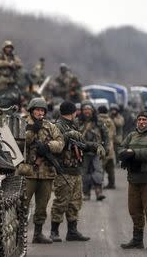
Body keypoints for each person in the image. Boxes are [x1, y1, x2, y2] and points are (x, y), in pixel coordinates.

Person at [118, 110, 147, 250]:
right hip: (134, 178)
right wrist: (124, 153)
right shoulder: (132, 135)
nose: (141, 122)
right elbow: (121, 148)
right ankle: (137, 239)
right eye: (139, 119)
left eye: (144, 120)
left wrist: (132, 153)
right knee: (134, 209)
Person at [23, 97, 64, 244]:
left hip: (46, 172)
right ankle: (18, 234)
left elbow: (60, 143)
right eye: (37, 110)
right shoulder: (23, 123)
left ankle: (38, 234)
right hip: (28, 172)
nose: (40, 113)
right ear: (31, 110)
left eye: (42, 110)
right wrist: (31, 131)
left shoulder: (50, 126)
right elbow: (19, 142)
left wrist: (48, 147)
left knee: (42, 206)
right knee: (22, 205)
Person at [50, 101, 90, 242]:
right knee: (61, 201)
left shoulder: (73, 125)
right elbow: (57, 146)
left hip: (75, 168)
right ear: (73, 112)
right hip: (64, 169)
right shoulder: (58, 126)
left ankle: (72, 231)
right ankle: (54, 231)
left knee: (75, 202)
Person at [78, 101, 108, 201]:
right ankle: (86, 193)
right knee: (84, 173)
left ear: (92, 110)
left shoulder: (98, 122)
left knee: (98, 171)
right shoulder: (78, 122)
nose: (87, 111)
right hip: (83, 151)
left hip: (97, 151)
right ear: (82, 111)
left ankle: (98, 192)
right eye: (85, 109)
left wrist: (105, 149)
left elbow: (105, 135)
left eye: (89, 109)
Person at [97, 105, 117, 189]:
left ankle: (98, 184)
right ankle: (111, 183)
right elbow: (114, 134)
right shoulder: (110, 121)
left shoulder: (98, 121)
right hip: (110, 147)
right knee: (110, 167)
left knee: (100, 167)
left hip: (101, 146)